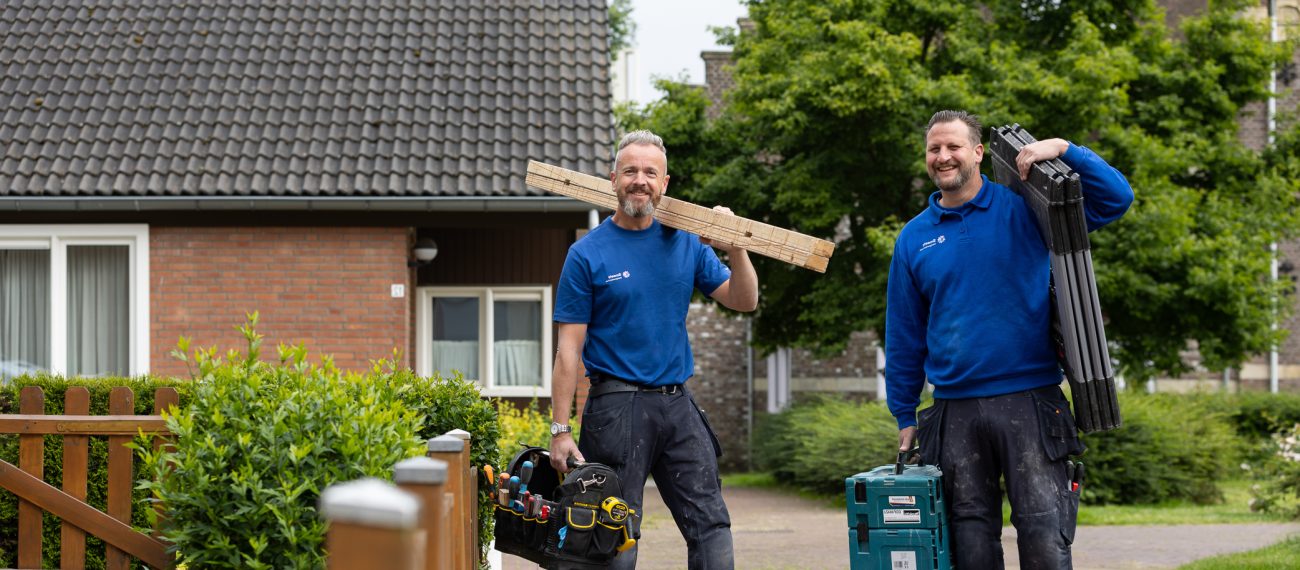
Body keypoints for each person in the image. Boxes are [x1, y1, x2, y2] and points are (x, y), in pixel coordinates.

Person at [885, 110, 1133, 569]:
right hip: (954, 411)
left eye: (954, 146)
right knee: (970, 545)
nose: (943, 157)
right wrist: (904, 412)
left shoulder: (1026, 208)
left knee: (1044, 537)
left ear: (978, 153)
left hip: (1030, 402)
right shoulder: (913, 238)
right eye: (934, 148)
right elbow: (904, 334)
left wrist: (1062, 147)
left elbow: (1116, 199)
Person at [548, 130, 759, 569]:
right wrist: (560, 429)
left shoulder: (685, 243)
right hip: (616, 406)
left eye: (650, 172)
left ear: (665, 183)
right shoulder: (586, 254)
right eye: (630, 171)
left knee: (712, 526)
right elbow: (568, 351)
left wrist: (736, 245)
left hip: (677, 403)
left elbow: (744, 299)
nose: (639, 180)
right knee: (612, 532)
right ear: (613, 179)